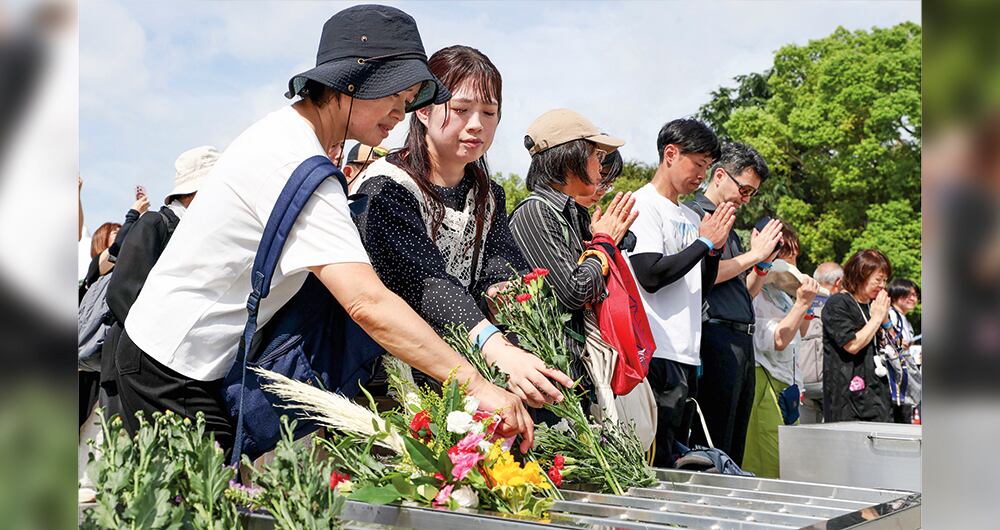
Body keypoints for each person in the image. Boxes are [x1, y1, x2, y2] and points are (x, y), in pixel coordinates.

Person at [115, 5, 536, 453]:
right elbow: (367, 302)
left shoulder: (294, 140)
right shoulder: (295, 161)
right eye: (396, 95)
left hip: (194, 360)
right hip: (171, 363)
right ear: (353, 82)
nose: (402, 112)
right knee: (204, 493)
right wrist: (476, 384)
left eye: (410, 99)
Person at [356, 46, 573, 408]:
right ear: (423, 109)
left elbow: (501, 265)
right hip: (387, 374)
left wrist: (504, 291)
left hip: (465, 367)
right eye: (460, 110)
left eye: (489, 112)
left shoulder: (488, 194)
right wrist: (497, 347)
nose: (476, 124)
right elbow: (428, 284)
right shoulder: (387, 188)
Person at [507, 109, 635, 420]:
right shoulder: (535, 212)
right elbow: (574, 290)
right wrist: (604, 242)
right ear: (570, 159)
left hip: (573, 373)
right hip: (546, 381)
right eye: (596, 155)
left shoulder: (572, 214)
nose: (600, 167)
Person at [627, 118, 735, 467]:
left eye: (707, 167)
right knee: (652, 456)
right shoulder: (642, 204)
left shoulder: (690, 215)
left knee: (677, 455)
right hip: (654, 349)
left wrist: (713, 249)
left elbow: (700, 286)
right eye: (698, 164)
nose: (702, 175)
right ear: (670, 154)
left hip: (687, 352)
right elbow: (650, 274)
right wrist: (703, 243)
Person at [100, 146, 219, 418]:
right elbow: (121, 293)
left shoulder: (191, 231)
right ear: (195, 192)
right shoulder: (155, 223)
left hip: (166, 368)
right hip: (137, 365)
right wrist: (158, 343)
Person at [684, 142, 782, 466]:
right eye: (744, 189)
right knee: (714, 440)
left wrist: (762, 264)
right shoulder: (694, 216)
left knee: (735, 440)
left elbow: (743, 292)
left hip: (741, 339)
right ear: (719, 175)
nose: (746, 199)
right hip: (714, 338)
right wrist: (753, 255)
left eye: (752, 193)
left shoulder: (730, 227)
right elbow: (704, 276)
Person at [743, 225, 819, 478]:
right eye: (788, 255)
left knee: (787, 462)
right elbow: (778, 340)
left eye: (795, 256)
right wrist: (802, 303)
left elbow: (802, 331)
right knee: (770, 461)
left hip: (787, 383)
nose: (793, 263)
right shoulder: (756, 292)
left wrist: (804, 304)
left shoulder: (783, 293)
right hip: (765, 380)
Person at [822, 249, 894, 423]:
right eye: (878, 279)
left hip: (879, 394)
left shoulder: (874, 306)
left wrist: (886, 322)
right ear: (860, 275)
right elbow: (852, 345)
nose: (882, 285)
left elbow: (896, 345)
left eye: (885, 280)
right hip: (848, 398)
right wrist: (876, 318)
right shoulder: (838, 303)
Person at [797, 261, 844, 422]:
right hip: (829, 384)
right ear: (838, 282)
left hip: (802, 382)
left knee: (806, 433)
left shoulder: (801, 300)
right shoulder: (839, 306)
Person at [887, 278, 921, 422]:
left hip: (903, 380)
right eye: (909, 294)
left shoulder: (905, 320)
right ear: (896, 294)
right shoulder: (891, 315)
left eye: (915, 295)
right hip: (894, 381)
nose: (913, 299)